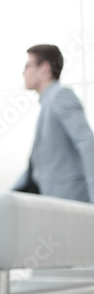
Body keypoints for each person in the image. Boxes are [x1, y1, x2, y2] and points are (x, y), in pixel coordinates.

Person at [14, 44, 94, 203]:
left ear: (44, 68)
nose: (23, 72)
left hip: (71, 200)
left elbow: (86, 142)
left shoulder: (60, 95)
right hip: (52, 199)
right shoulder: (47, 103)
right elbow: (35, 170)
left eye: (27, 66)